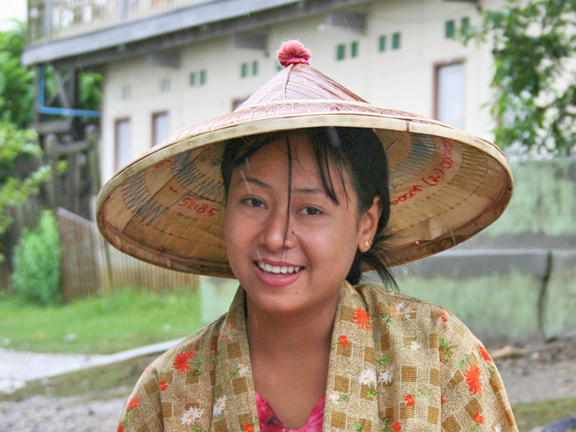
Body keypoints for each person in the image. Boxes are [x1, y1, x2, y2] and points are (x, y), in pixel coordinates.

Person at [97, 40, 518, 431]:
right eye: (254, 202)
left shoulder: (439, 354)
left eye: (311, 209)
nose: (277, 236)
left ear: (366, 224)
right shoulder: (168, 392)